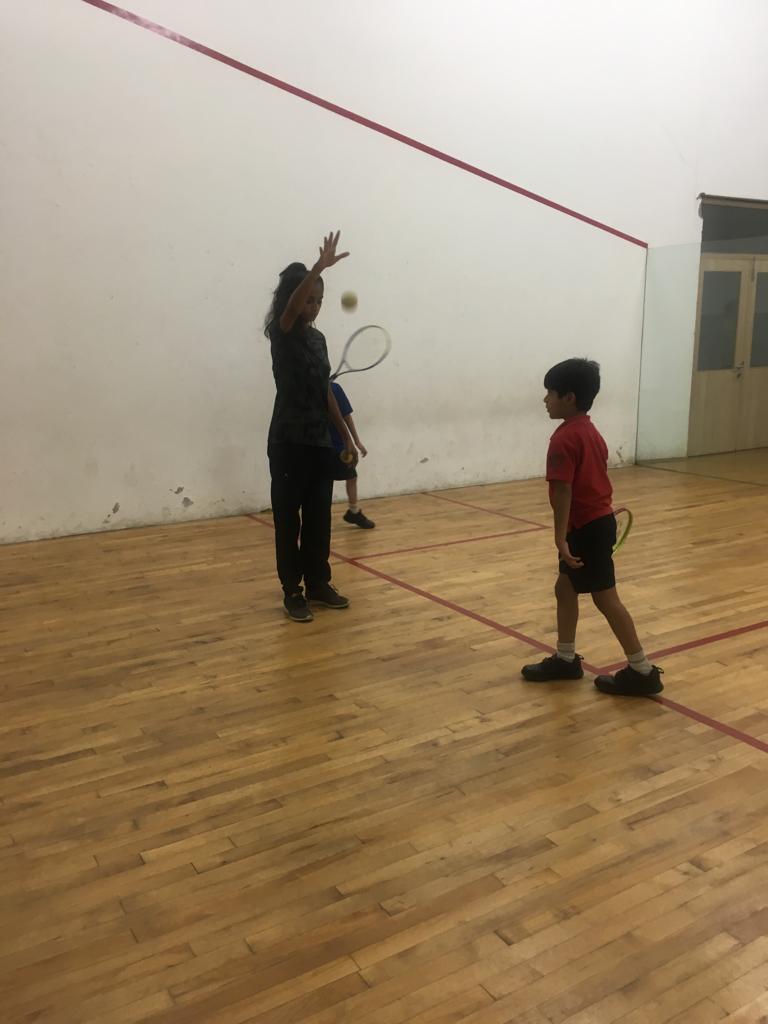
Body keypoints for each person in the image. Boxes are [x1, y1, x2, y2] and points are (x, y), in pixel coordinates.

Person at [521, 358, 663, 696]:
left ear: (569, 397)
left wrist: (561, 538)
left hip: (586, 528)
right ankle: (566, 659)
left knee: (606, 599)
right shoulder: (590, 431)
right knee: (565, 588)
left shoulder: (564, 439)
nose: (545, 399)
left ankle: (642, 670)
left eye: (550, 393)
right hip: (595, 524)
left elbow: (563, 490)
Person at [264, 231, 358, 623]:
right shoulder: (282, 331)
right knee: (289, 521)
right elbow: (290, 310)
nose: (314, 306)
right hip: (288, 442)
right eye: (308, 299)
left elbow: (325, 391)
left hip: (320, 442)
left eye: (319, 300)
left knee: (319, 519)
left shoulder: (318, 340)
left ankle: (319, 583)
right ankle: (293, 591)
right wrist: (318, 267)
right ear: (294, 299)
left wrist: (346, 437)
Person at [329, 380, 375, 529]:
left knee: (351, 476)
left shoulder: (334, 388)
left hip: (337, 446)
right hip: (330, 446)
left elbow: (346, 416)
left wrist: (356, 441)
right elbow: (347, 416)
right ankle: (352, 512)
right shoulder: (333, 388)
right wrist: (355, 441)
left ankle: (353, 512)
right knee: (329, 481)